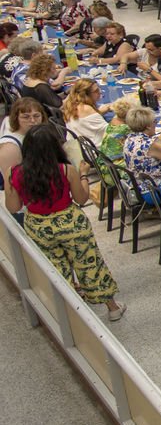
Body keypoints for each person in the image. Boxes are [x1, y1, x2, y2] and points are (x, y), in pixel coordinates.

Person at [5, 125, 126, 320]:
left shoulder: (14, 173)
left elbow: (12, 207)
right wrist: (84, 175)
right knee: (89, 264)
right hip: (70, 222)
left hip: (38, 227)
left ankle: (73, 316)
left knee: (57, 270)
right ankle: (112, 308)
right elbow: (81, 198)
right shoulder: (65, 170)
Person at [62, 79, 111, 147]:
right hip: (96, 151)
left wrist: (99, 112)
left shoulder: (71, 105)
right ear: (85, 95)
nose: (100, 92)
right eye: (96, 91)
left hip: (79, 147)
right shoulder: (87, 109)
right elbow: (111, 131)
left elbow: (87, 120)